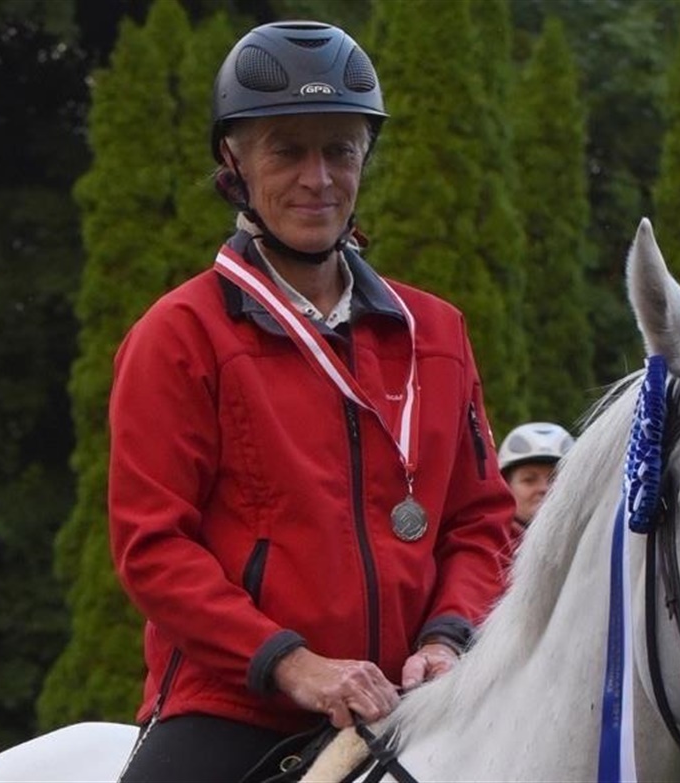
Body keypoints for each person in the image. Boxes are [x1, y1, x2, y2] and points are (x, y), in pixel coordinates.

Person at [107, 20, 515, 783]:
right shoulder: (178, 336)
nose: (318, 178)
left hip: (417, 704)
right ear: (235, 162)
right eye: (287, 151)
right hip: (236, 706)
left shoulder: (437, 333)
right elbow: (153, 548)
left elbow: (480, 520)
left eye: (339, 150)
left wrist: (448, 636)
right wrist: (293, 664)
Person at [497, 421, 575, 536]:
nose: (543, 489)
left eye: (554, 479)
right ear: (506, 486)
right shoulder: (488, 543)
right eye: (529, 480)